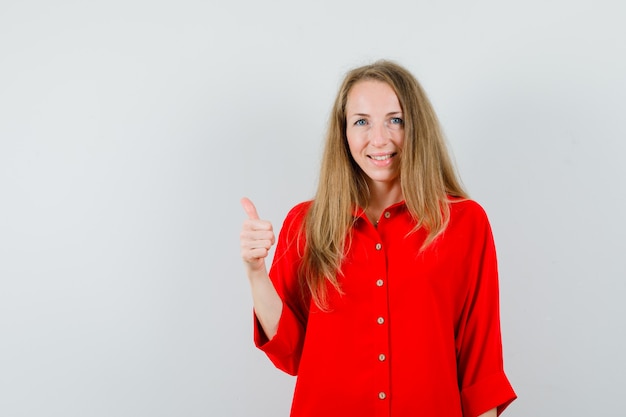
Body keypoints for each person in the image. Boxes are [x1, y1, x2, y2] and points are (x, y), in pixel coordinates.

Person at [240, 60, 516, 417]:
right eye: (361, 122)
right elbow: (291, 352)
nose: (379, 139)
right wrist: (255, 272)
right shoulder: (306, 224)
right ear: (344, 134)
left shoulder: (464, 222)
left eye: (395, 120)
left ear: (417, 127)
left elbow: (481, 368)